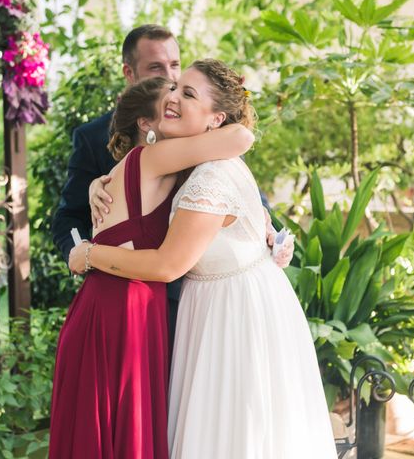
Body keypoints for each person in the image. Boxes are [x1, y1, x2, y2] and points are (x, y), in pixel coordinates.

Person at [69, 59, 338, 459]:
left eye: (186, 93)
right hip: (205, 310)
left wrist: (87, 253)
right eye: (174, 89)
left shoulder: (207, 174)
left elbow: (168, 263)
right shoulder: (188, 168)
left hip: (229, 318)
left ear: (217, 119)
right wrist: (97, 185)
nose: (172, 98)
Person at [48, 75, 255, 459]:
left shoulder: (166, 169)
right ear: (146, 125)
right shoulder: (153, 157)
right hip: (120, 307)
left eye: (183, 94)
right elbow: (240, 138)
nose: (177, 102)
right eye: (170, 100)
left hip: (126, 303)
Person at [51, 24, 185, 342]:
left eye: (175, 64)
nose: (171, 75)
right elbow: (68, 217)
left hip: (197, 298)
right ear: (129, 72)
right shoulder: (92, 137)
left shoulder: (200, 124)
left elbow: (235, 188)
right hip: (129, 306)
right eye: (156, 67)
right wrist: (82, 252)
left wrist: (268, 229)